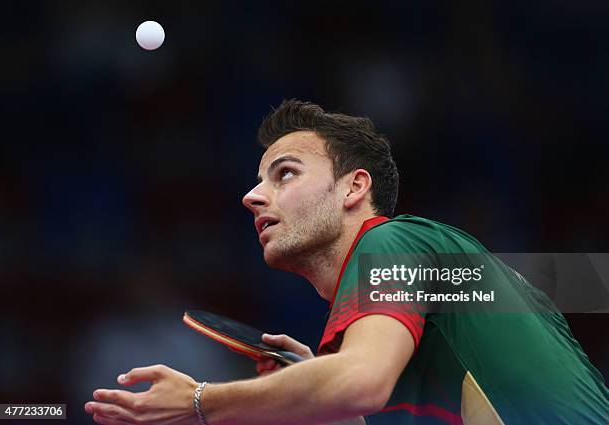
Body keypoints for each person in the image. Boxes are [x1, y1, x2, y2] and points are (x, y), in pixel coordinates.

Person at [85, 100, 609, 425]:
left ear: (354, 187)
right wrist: (322, 395)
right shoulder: (431, 295)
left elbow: (361, 382)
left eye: (283, 173)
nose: (251, 196)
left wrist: (201, 400)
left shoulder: (394, 241)